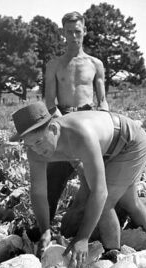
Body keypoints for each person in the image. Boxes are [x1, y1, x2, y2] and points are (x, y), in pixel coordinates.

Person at [10, 101, 146, 268]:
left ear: (53, 129)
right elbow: (39, 193)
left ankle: (113, 256)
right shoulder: (35, 150)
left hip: (129, 143)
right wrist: (45, 229)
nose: (37, 150)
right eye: (30, 144)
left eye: (39, 142)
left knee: (106, 203)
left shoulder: (80, 135)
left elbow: (100, 192)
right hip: (103, 147)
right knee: (129, 201)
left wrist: (82, 238)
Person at [44, 11, 109, 222]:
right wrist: (64, 123)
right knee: (52, 179)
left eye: (77, 31)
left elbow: (103, 101)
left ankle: (96, 226)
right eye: (69, 32)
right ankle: (44, 228)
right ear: (63, 33)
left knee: (99, 180)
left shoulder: (95, 64)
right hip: (62, 121)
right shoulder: (53, 65)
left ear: (85, 31)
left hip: (90, 120)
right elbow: (49, 103)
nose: (73, 36)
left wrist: (105, 120)